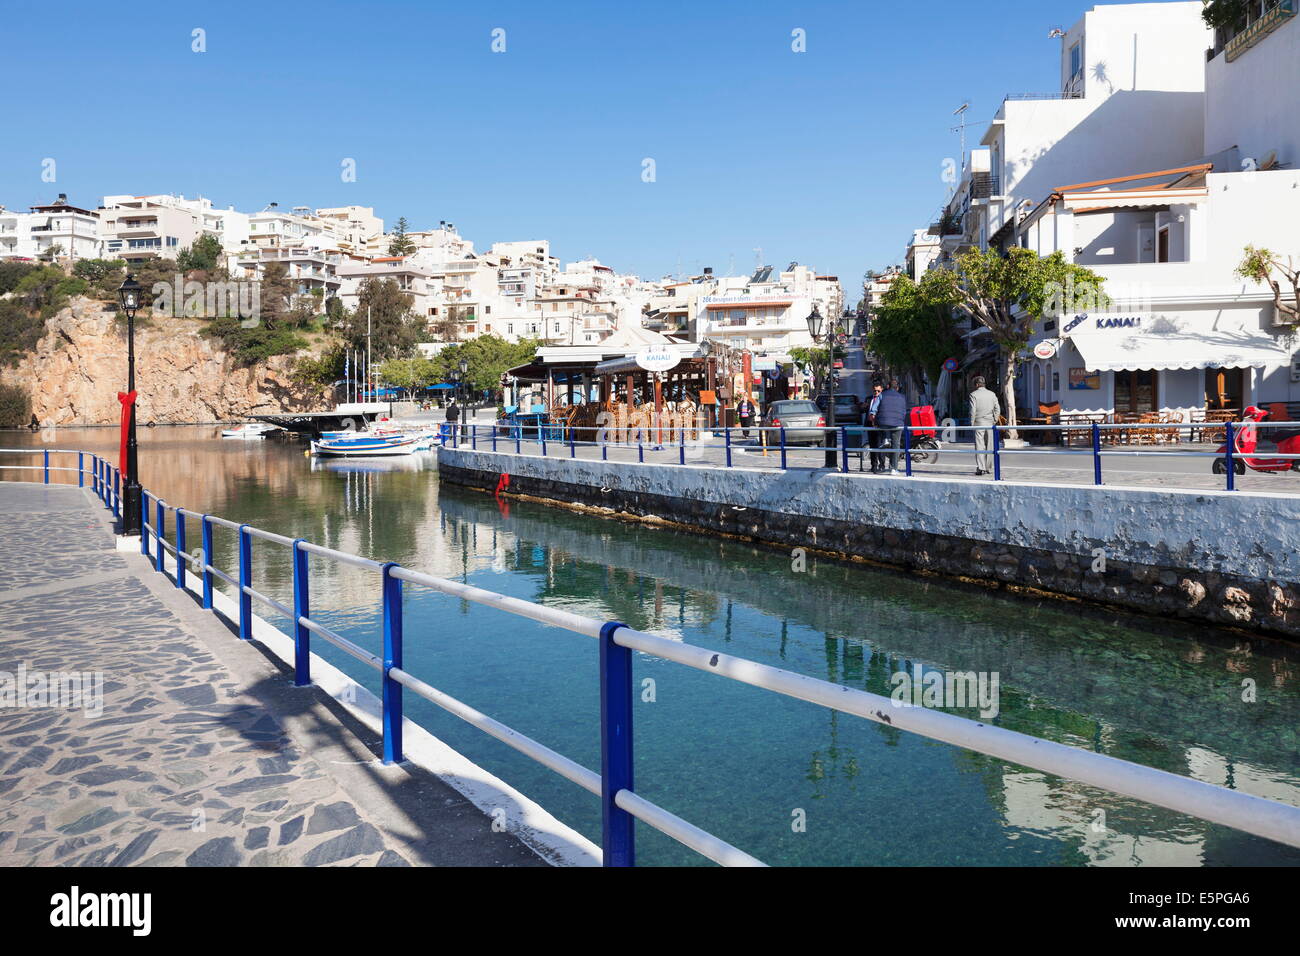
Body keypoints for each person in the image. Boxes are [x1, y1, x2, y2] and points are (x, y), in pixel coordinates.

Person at [969, 375, 1002, 476]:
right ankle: (988, 467)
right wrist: (994, 420)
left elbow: (972, 411)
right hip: (990, 422)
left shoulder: (973, 395)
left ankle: (981, 467)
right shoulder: (992, 394)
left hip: (978, 422)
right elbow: (997, 409)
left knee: (980, 445)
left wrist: (972, 423)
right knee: (989, 445)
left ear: (977, 384)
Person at [874, 379, 909, 474]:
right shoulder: (902, 397)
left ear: (888, 386)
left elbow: (874, 409)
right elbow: (904, 412)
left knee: (883, 432)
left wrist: (874, 419)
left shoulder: (882, 395)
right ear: (897, 388)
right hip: (898, 423)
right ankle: (894, 468)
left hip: (883, 422)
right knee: (896, 445)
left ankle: (886, 438)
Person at [865, 382, 884, 472]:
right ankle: (873, 465)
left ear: (881, 390)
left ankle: (882, 464)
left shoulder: (883, 399)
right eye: (875, 390)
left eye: (878, 391)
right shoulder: (869, 399)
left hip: (879, 424)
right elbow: (865, 410)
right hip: (870, 424)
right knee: (872, 445)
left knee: (880, 445)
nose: (876, 392)